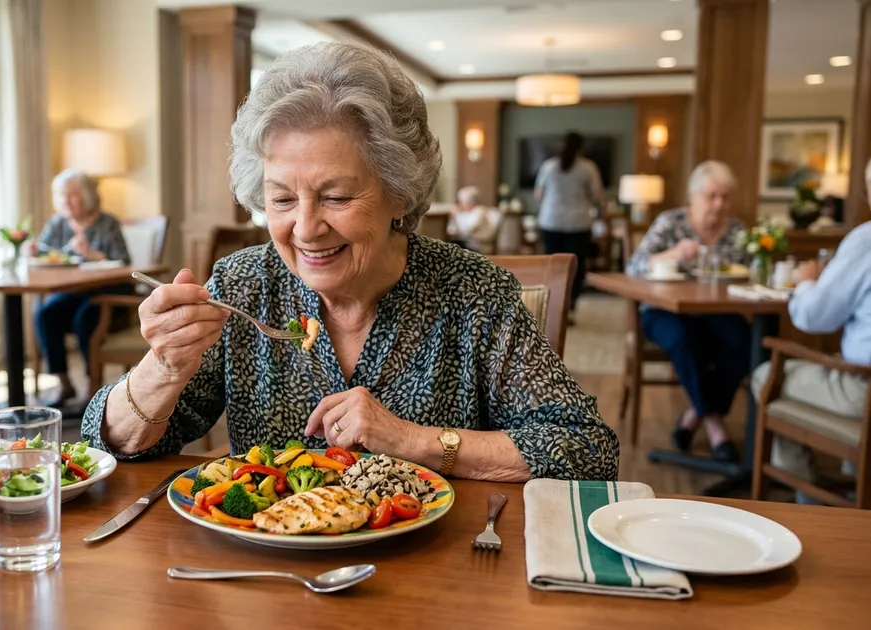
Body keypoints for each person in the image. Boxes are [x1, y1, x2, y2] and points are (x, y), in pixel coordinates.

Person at [80, 42, 618, 482]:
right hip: (271, 574)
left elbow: (586, 449)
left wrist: (413, 440)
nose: (307, 228)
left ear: (400, 195)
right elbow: (108, 445)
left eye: (336, 197)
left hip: (431, 580)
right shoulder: (244, 286)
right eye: (282, 200)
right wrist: (163, 369)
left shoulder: (474, 294)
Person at [751, 159, 871, 502]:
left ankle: (811, 503)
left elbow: (814, 317)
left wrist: (807, 283)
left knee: (765, 376)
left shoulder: (865, 241)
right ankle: (854, 477)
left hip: (862, 390)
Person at [626, 160, 751, 462]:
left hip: (717, 310)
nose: (719, 204)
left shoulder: (737, 231)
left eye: (725, 197)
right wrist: (673, 253)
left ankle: (694, 414)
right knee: (684, 339)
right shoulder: (671, 223)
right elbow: (634, 266)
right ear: (693, 197)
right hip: (664, 310)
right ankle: (714, 425)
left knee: (744, 340)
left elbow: (752, 271)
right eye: (711, 196)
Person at [32, 168, 131, 407]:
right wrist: (34, 250)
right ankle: (64, 383)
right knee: (46, 314)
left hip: (109, 294)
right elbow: (46, 253)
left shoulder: (106, 223)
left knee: (86, 317)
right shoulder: (58, 223)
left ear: (86, 196)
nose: (66, 201)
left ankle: (92, 387)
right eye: (62, 195)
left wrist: (93, 255)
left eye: (73, 195)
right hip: (73, 292)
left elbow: (124, 263)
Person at [534, 131, 605, 314]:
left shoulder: (548, 166)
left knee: (552, 264)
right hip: (578, 223)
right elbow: (597, 196)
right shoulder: (588, 168)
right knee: (576, 266)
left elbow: (539, 194)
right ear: (581, 147)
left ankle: (552, 305)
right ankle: (571, 305)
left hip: (551, 221)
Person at [448, 185, 501, 254]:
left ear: (469, 202)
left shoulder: (479, 211)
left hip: (479, 246)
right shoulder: (469, 212)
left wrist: (457, 215)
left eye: (462, 202)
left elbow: (466, 229)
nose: (461, 205)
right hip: (470, 243)